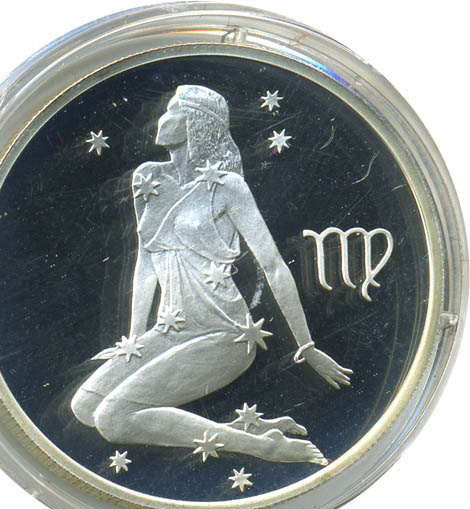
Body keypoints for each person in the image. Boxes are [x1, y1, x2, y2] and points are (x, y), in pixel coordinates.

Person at [71, 85, 352, 465]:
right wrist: (136, 338)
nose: (162, 118)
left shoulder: (228, 187)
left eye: (174, 111)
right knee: (84, 407)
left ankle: (264, 448)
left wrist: (307, 347)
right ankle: (245, 429)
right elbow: (146, 261)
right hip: (170, 329)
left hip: (224, 332)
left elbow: (272, 265)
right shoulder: (147, 177)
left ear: (197, 123)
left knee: (113, 418)